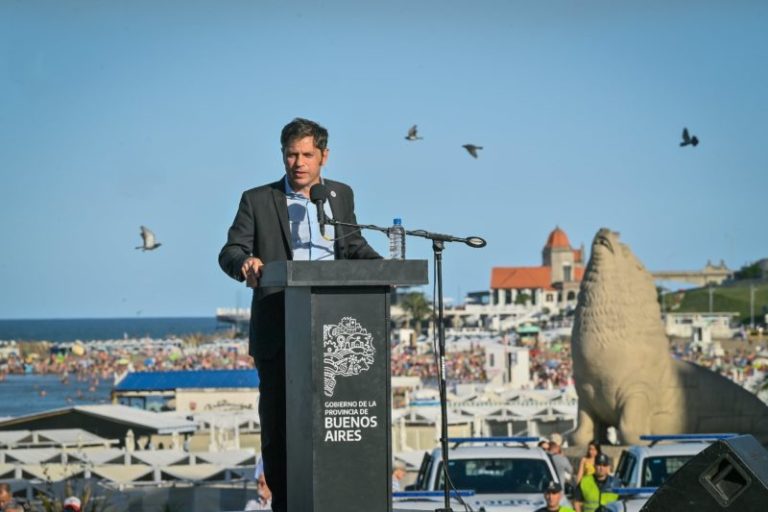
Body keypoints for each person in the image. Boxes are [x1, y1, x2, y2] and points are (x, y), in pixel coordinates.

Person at [219, 118, 381, 512]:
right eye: (291, 154)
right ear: (283, 155)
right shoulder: (257, 199)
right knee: (279, 428)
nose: (299, 162)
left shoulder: (340, 195)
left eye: (307, 154)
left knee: (336, 423)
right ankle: (286, 503)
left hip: (335, 330)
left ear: (324, 156)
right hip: (280, 330)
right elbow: (230, 251)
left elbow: (353, 244)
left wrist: (383, 269)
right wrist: (246, 263)